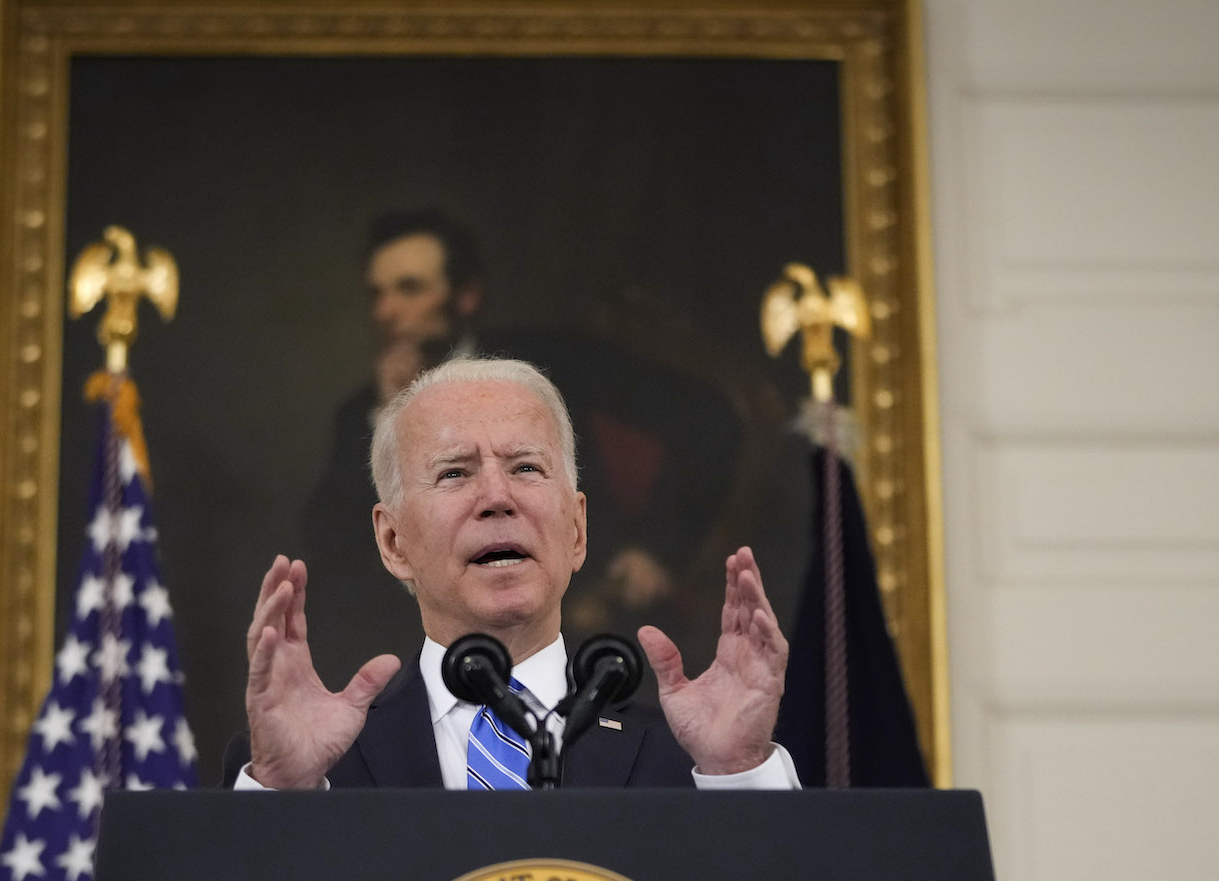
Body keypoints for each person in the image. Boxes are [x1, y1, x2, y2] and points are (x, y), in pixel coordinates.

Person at [232, 356, 796, 790]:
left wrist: (738, 771)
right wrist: (286, 795)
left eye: (526, 467)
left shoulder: (692, 758)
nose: (497, 497)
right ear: (393, 540)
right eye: (455, 473)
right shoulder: (308, 763)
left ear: (576, 530)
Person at [299, 210, 742, 690]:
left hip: (584, 618)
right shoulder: (360, 412)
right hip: (424, 643)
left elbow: (708, 419)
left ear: (465, 296)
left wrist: (659, 547)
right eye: (376, 293)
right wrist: (389, 417)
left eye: (409, 289)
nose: (385, 311)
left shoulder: (554, 360)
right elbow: (329, 543)